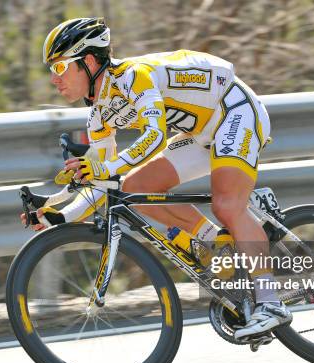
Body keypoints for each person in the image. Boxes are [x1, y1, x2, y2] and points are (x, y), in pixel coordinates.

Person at [24, 17, 291, 339]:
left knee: (227, 205)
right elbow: (105, 184)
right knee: (136, 188)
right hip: (199, 132)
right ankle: (217, 247)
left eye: (60, 68)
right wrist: (61, 214)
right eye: (52, 71)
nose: (54, 79)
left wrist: (106, 169)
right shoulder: (98, 114)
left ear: (90, 61)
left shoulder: (134, 77)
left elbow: (154, 135)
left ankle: (271, 303)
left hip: (235, 111)